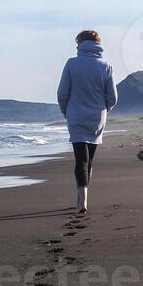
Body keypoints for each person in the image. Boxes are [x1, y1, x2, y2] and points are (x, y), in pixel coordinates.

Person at [56, 29, 118, 213]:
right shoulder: (106, 66)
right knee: (89, 161)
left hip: (75, 115)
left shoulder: (71, 64)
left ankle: (81, 200)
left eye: (77, 43)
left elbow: (62, 93)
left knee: (80, 160)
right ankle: (83, 198)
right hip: (97, 117)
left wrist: (65, 110)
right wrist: (105, 110)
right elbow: (112, 97)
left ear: (81, 43)